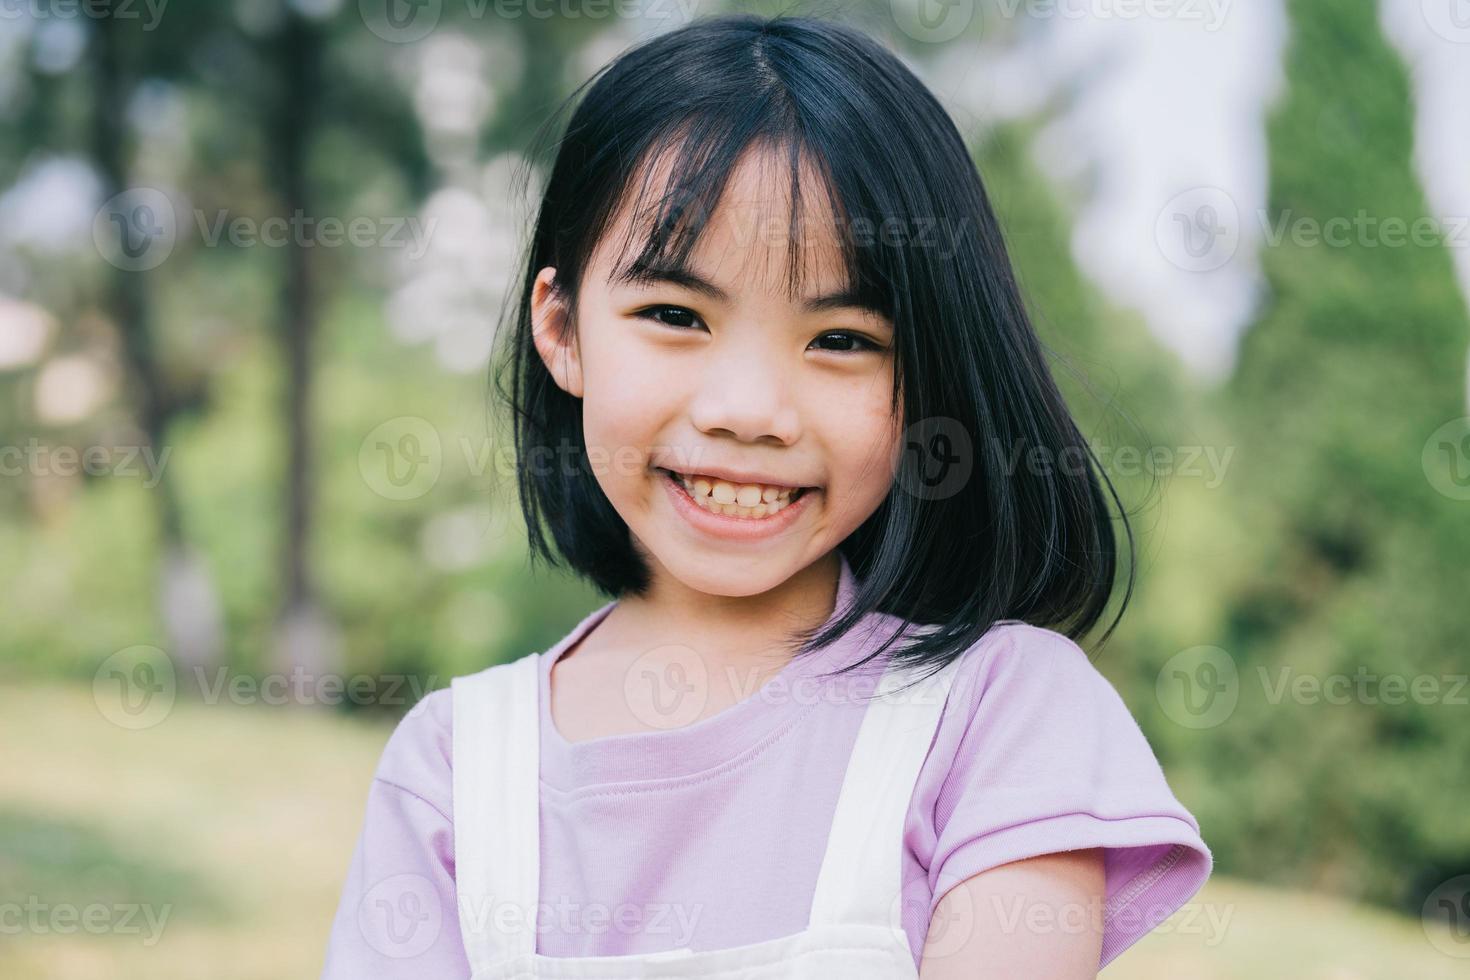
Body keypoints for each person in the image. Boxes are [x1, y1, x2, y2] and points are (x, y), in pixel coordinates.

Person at [321, 13, 1211, 979]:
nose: (750, 412)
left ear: (928, 378)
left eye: (842, 339)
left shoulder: (1000, 719)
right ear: (563, 328)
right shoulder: (455, 773)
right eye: (674, 315)